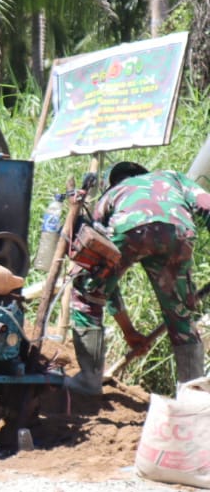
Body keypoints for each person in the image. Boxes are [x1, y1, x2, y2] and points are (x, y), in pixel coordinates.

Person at [67, 162, 210, 393]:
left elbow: (103, 275)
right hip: (178, 231)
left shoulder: (111, 194)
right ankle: (193, 395)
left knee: (87, 295)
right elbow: (206, 205)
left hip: (129, 230)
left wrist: (128, 331)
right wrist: (129, 331)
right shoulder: (171, 176)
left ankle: (88, 381)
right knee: (180, 315)